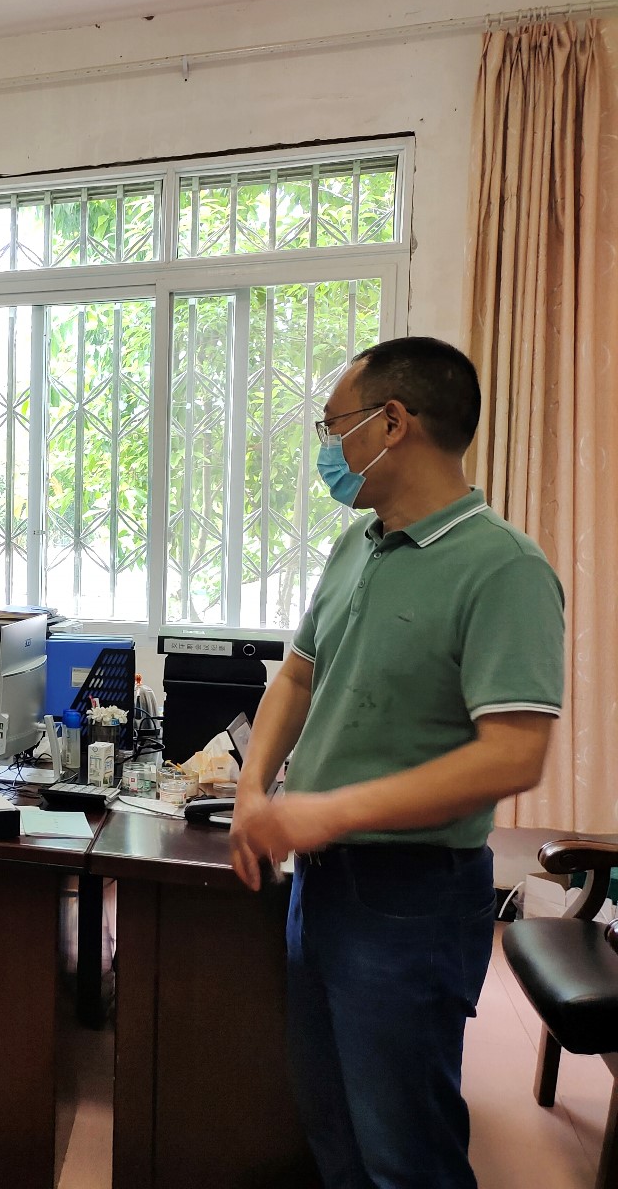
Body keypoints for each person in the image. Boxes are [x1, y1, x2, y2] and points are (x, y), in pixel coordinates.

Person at [228, 337, 565, 1189]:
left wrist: (329, 810)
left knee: (404, 1151)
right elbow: (297, 676)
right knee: (332, 1124)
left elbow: (515, 754)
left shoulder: (505, 567)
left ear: (391, 422)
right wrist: (253, 788)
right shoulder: (357, 547)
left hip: (411, 900)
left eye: (332, 425)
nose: (326, 446)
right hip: (321, 885)